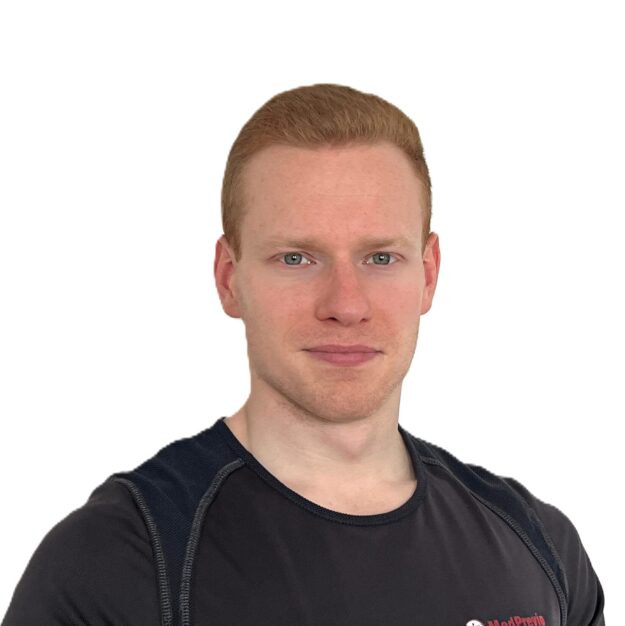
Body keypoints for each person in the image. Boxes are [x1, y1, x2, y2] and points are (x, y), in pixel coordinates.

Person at [2, 83, 605, 626]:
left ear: (428, 274)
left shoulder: (540, 549)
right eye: (296, 258)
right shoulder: (120, 561)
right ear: (229, 278)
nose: (346, 304)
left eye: (380, 258)